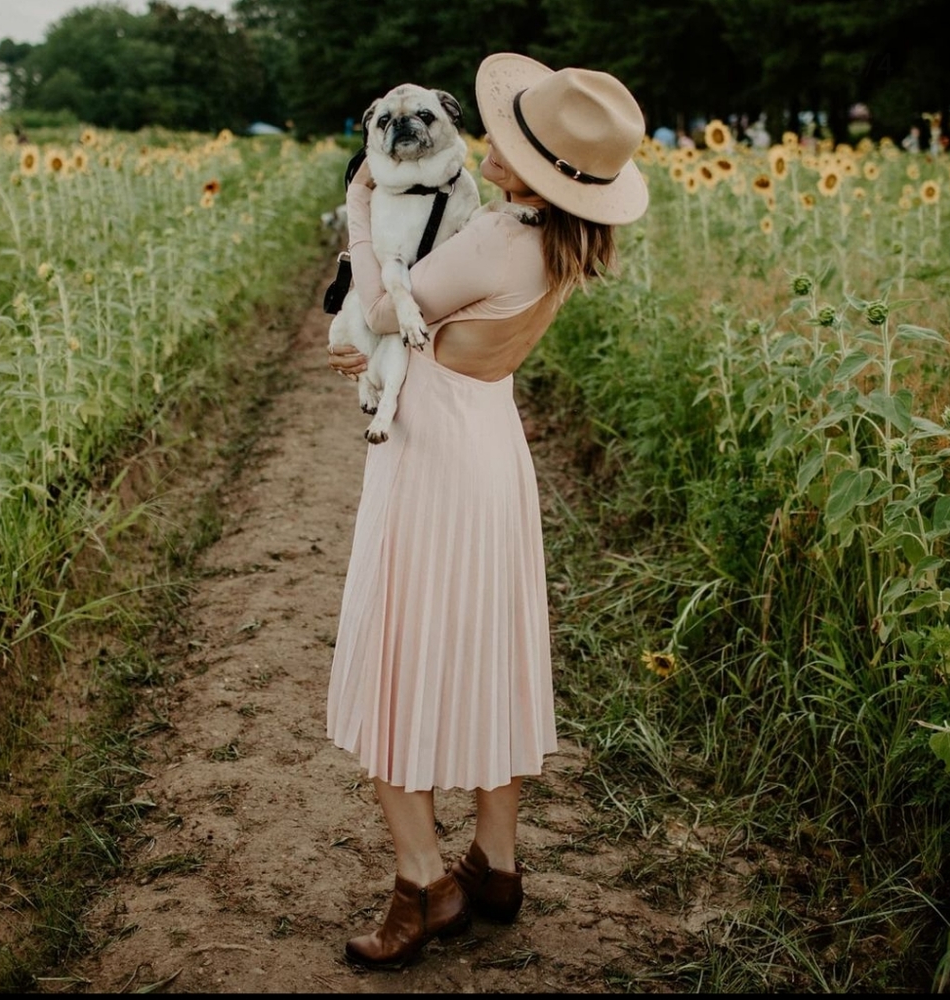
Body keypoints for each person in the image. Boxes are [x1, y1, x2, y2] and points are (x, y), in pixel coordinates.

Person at [325, 51, 649, 970]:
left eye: (509, 135)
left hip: (431, 458)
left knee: (401, 658)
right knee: (482, 650)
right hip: (492, 448)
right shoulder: (555, 240)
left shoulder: (494, 240)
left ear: (534, 162)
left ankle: (425, 882)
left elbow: (384, 309)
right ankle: (497, 864)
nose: (490, 142)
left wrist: (357, 210)